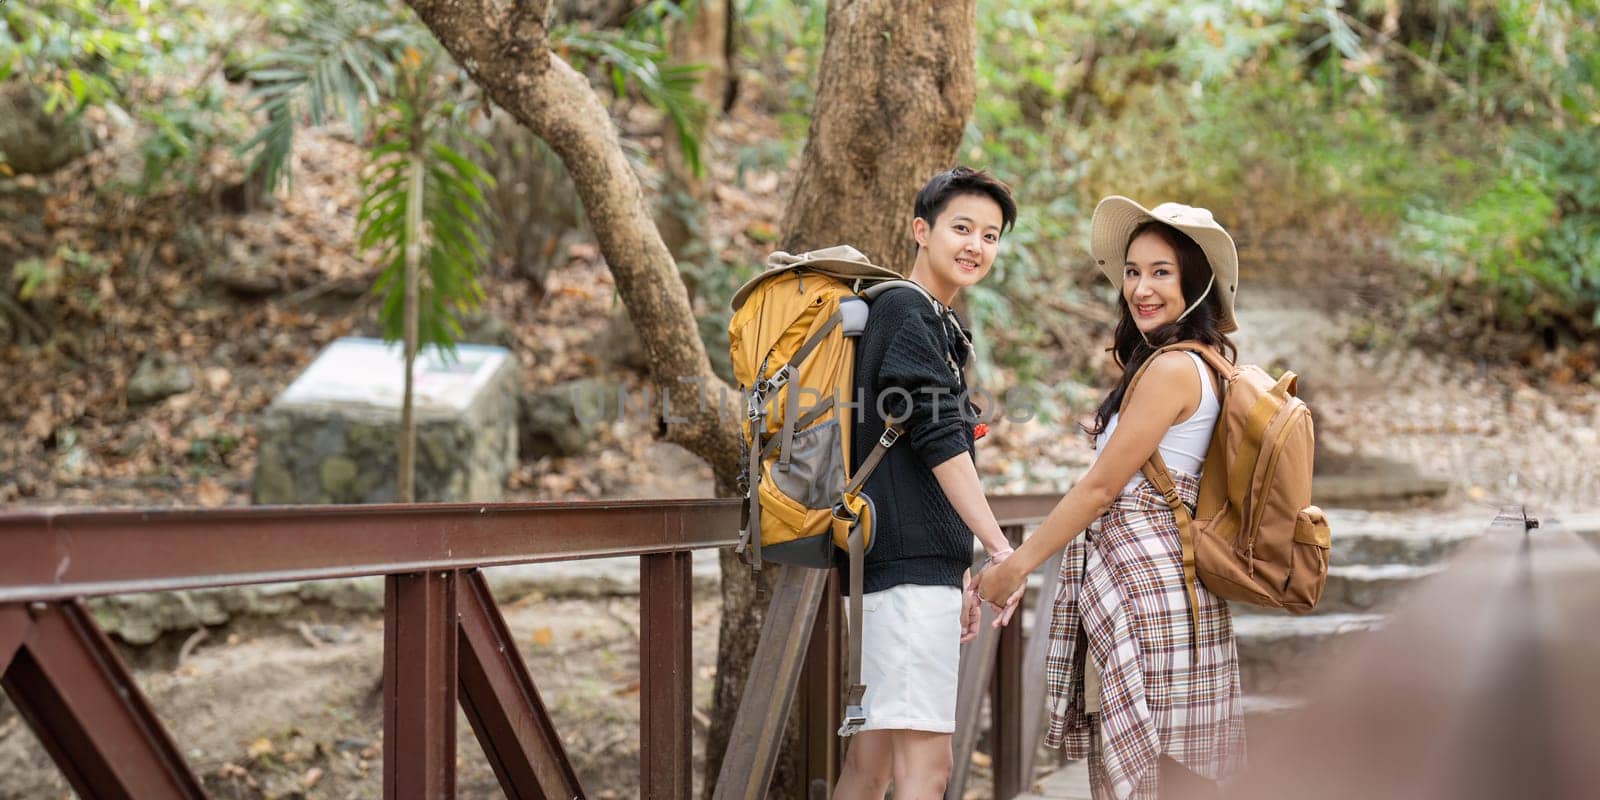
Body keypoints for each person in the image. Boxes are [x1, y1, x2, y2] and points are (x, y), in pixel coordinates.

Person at [974, 196, 1248, 799]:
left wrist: (1016, 565)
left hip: (1144, 595)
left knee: (1149, 777)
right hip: (1166, 589)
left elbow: (1100, 490)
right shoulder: (1192, 365)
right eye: (1132, 271)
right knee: (1171, 775)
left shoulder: (1175, 369)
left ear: (1195, 283)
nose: (1140, 288)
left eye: (1161, 272)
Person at [833, 166, 1021, 800]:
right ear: (922, 231)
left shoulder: (927, 320)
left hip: (899, 569)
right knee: (924, 772)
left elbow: (917, 455)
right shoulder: (908, 310)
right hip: (906, 577)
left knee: (873, 767)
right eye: (961, 228)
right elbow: (940, 440)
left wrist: (957, 566)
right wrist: (999, 550)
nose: (975, 245)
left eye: (990, 236)